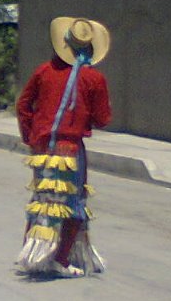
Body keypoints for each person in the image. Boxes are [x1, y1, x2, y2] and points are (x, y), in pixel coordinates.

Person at [15, 17, 112, 278]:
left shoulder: (43, 71)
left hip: (42, 149)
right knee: (73, 203)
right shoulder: (93, 78)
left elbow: (23, 105)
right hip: (70, 150)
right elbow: (102, 119)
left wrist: (30, 136)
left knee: (43, 200)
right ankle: (60, 258)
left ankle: (33, 251)